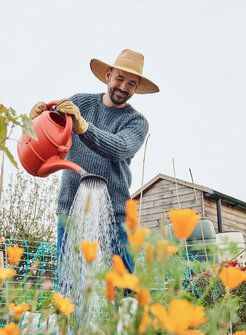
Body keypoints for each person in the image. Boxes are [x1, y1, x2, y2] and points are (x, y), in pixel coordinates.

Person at [29, 49, 159, 276]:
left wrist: (85, 128)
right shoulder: (80, 103)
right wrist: (37, 119)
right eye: (119, 78)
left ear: (136, 87)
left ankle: (125, 311)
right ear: (108, 74)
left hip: (115, 212)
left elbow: (120, 147)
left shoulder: (137, 121)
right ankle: (69, 314)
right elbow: (51, 137)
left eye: (131, 83)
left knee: (123, 280)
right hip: (72, 207)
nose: (123, 88)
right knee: (70, 278)